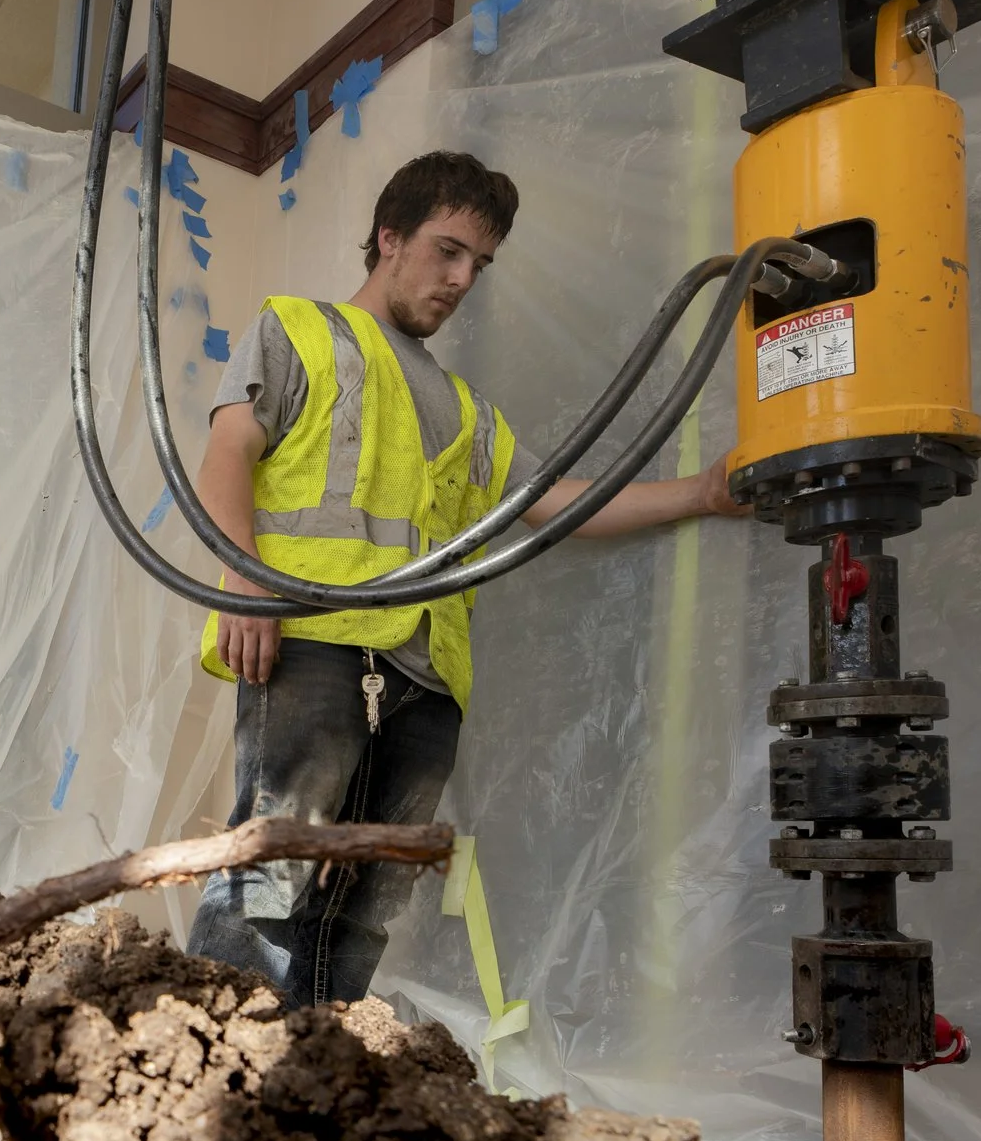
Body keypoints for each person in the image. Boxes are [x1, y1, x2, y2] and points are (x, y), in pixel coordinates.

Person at [186, 150, 744, 1009]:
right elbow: (228, 451)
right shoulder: (298, 329)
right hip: (314, 636)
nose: (461, 280)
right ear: (389, 237)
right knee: (274, 867)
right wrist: (244, 586)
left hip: (427, 678)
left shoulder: (469, 412)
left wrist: (703, 493)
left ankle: (322, 1054)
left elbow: (554, 503)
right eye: (447, 251)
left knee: (367, 904)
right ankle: (203, 1047)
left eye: (478, 264)